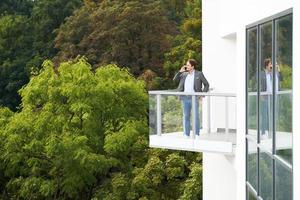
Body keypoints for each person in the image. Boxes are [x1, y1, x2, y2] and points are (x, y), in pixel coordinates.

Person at [173, 59, 209, 138]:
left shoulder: (199, 74)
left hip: (194, 98)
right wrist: (180, 71)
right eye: (186, 65)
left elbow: (206, 84)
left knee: (196, 116)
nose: (186, 66)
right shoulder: (184, 74)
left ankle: (197, 134)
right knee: (186, 116)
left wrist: (202, 94)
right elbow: (175, 80)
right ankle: (186, 134)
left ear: (192, 66)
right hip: (185, 98)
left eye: (188, 65)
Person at [260, 58, 281, 139]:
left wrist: (278, 70)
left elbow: (280, 80)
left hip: (273, 97)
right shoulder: (262, 74)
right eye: (271, 64)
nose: (272, 66)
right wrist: (261, 95)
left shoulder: (274, 74)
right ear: (267, 65)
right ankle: (263, 133)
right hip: (265, 97)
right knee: (265, 115)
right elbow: (259, 85)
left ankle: (271, 131)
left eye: (273, 64)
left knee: (272, 114)